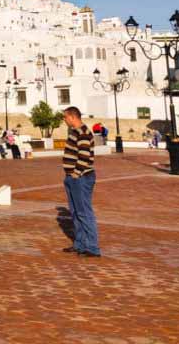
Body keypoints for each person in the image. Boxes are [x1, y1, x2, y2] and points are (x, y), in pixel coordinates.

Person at [62, 106, 100, 258]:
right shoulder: (75, 132)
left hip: (81, 177)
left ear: (72, 117)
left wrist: (76, 174)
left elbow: (84, 156)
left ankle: (92, 247)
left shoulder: (83, 132)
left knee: (84, 212)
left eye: (65, 117)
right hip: (73, 177)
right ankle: (80, 244)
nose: (64, 120)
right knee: (76, 212)